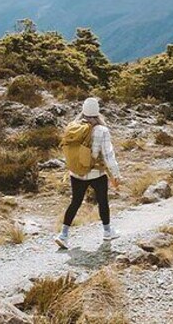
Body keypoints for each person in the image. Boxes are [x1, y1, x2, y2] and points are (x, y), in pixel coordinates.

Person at [55, 97, 121, 249]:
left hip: (76, 173)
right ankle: (107, 231)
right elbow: (108, 155)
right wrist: (116, 175)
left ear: (83, 111)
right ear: (98, 112)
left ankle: (63, 235)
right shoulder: (101, 130)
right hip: (96, 174)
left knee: (75, 202)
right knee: (103, 201)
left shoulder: (73, 127)